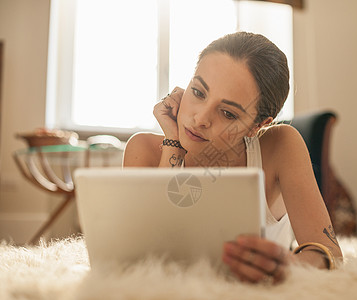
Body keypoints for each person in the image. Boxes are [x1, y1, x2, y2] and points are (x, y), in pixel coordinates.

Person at [123, 31, 342, 284]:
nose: (201, 119)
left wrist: (291, 267)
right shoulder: (145, 149)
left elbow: (330, 253)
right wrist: (173, 144)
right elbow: (142, 255)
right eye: (198, 92)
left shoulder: (279, 146)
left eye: (227, 113)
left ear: (257, 126)